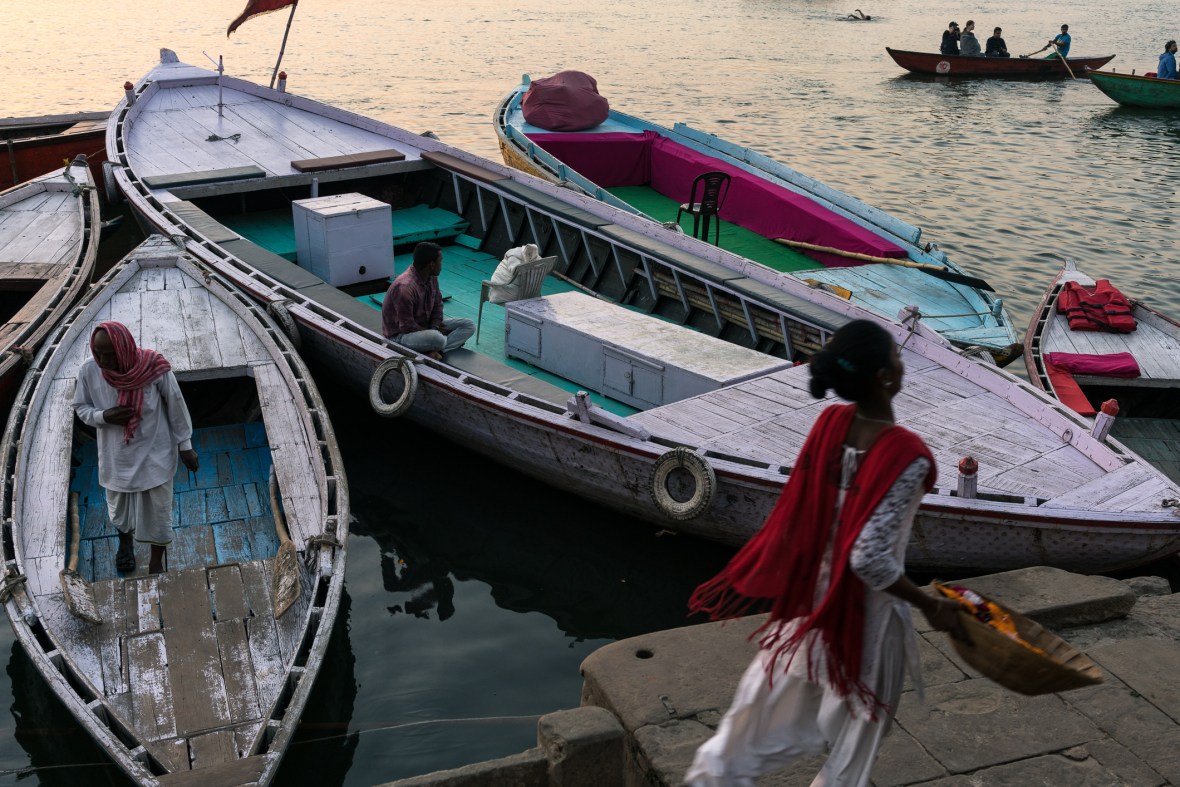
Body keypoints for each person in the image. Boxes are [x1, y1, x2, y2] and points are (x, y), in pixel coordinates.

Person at [683, 319, 965, 787]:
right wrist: (931, 605)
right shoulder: (908, 456)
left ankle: (709, 780)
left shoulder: (830, 423)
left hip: (812, 601)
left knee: (752, 719)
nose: (902, 362)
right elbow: (869, 558)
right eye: (897, 355)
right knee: (855, 745)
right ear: (883, 376)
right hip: (867, 618)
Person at [73, 322, 199, 575]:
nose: (103, 360)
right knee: (119, 511)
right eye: (98, 353)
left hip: (155, 453)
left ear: (124, 348)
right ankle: (125, 544)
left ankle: (156, 561)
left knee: (159, 512)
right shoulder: (88, 370)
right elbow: (81, 407)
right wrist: (104, 416)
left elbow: (176, 405)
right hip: (116, 457)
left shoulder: (154, 367)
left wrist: (185, 446)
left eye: (110, 354)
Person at [381, 241, 475, 360]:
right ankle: (435, 347)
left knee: (468, 325)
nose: (441, 264)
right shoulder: (405, 287)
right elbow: (407, 326)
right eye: (440, 261)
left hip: (425, 326)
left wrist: (435, 326)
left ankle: (435, 350)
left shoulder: (432, 278)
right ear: (431, 265)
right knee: (438, 338)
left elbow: (437, 306)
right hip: (401, 336)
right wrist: (432, 332)